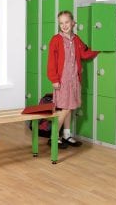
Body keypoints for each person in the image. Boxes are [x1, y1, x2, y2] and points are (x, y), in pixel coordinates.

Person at [47, 10, 99, 149]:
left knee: (70, 108)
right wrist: (54, 79)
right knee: (65, 107)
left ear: (73, 23)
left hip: (74, 79)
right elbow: (51, 61)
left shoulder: (76, 39)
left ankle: (67, 134)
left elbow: (84, 54)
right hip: (62, 80)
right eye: (61, 23)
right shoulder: (56, 40)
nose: (64, 25)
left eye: (67, 22)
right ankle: (53, 136)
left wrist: (99, 48)